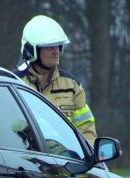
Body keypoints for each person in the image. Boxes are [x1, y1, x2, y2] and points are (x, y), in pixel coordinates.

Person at [15, 15, 97, 145]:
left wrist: (90, 158)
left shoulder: (72, 86)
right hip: (26, 160)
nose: (56, 51)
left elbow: (85, 130)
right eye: (49, 47)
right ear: (31, 50)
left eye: (58, 46)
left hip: (66, 162)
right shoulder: (15, 83)